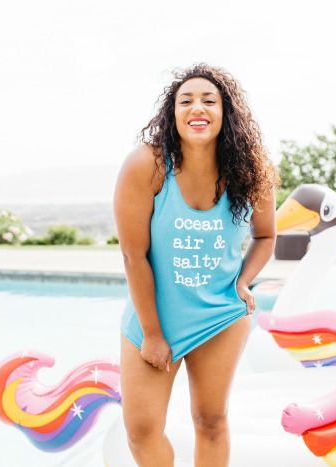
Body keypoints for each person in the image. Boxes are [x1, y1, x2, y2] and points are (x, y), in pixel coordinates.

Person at [113, 63, 280, 467]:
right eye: (185, 101)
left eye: (209, 100)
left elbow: (266, 237)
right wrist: (153, 334)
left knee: (211, 420)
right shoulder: (148, 165)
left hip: (220, 314)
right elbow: (134, 256)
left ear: (226, 113)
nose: (197, 108)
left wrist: (243, 281)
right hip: (155, 317)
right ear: (172, 114)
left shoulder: (251, 171)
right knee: (141, 431)